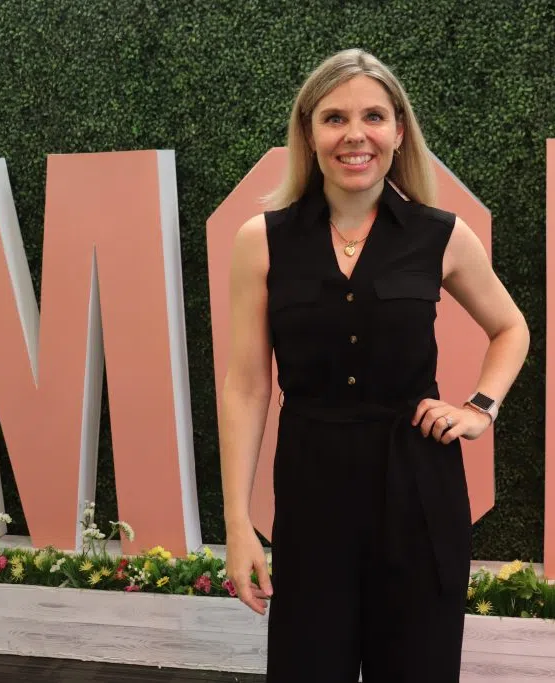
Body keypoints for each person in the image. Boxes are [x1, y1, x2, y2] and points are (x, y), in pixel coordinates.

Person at [219, 48, 529, 682]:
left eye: (373, 117)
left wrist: (479, 407)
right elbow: (247, 386)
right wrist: (237, 526)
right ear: (309, 133)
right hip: (311, 495)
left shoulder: (440, 235)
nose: (354, 135)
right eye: (334, 118)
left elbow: (511, 327)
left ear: (398, 130)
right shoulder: (262, 241)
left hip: (419, 490)